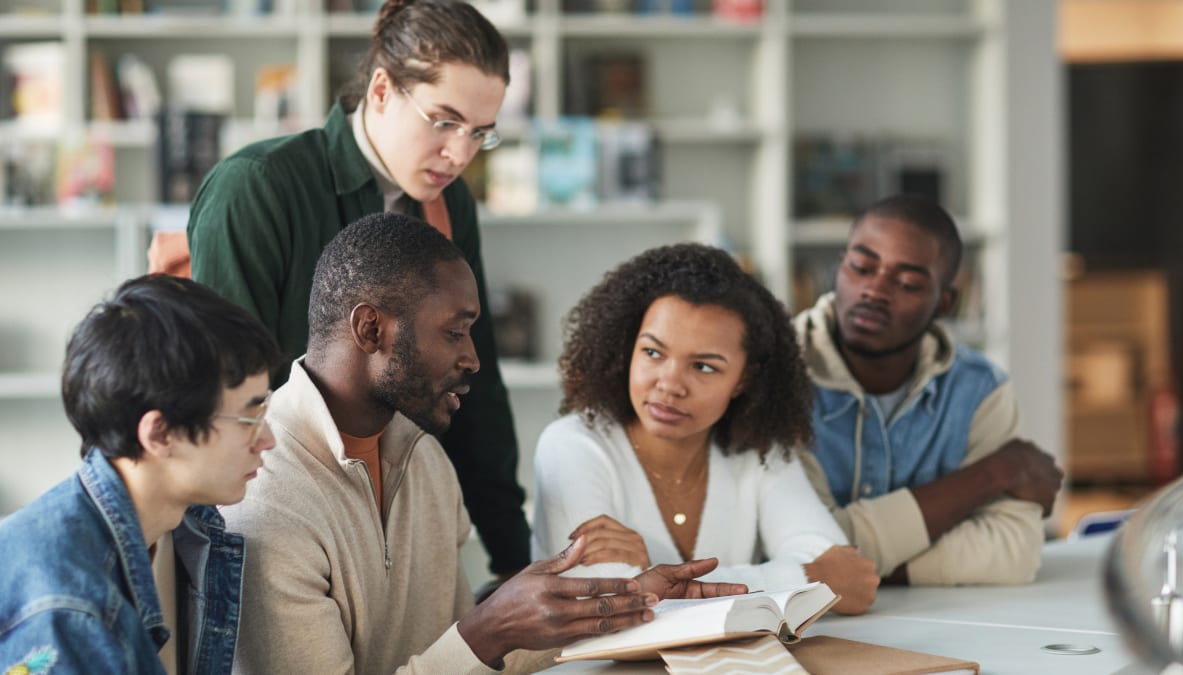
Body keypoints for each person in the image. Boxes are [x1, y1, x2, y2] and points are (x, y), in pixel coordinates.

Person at [221, 213, 747, 674]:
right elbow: (474, 645)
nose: (472, 358)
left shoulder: (422, 455)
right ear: (371, 329)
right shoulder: (265, 500)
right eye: (455, 332)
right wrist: (489, 628)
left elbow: (461, 659)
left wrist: (625, 602)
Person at [186, 0, 529, 580]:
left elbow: (477, 381)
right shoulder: (258, 187)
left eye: (480, 133)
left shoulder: (450, 204)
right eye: (443, 122)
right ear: (380, 90)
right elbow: (228, 398)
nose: (460, 154)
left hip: (401, 509)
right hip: (275, 519)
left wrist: (515, 559)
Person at [531, 243, 880, 615]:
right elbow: (613, 608)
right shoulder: (572, 445)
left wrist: (655, 575)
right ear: (626, 347)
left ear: (743, 380)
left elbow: (850, 583)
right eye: (652, 352)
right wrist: (802, 576)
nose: (670, 384)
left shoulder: (758, 451)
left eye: (704, 367)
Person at [0, 275, 280, 674]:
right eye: (250, 417)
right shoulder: (67, 608)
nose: (267, 439)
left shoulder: (191, 526)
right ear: (159, 434)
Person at [793, 193, 1064, 586]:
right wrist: (993, 473)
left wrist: (857, 569)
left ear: (945, 302)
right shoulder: (777, 374)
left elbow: (1014, 549)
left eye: (907, 283)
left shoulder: (980, 390)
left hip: (940, 625)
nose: (874, 290)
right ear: (839, 267)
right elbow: (805, 550)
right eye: (861, 267)